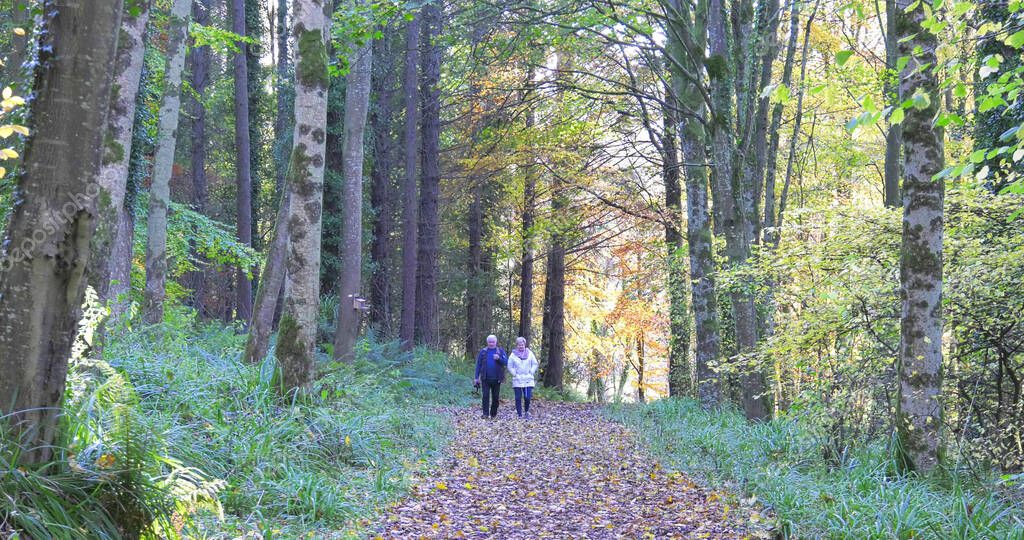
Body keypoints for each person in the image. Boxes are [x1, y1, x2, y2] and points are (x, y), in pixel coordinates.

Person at [474, 335, 507, 419]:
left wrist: (499, 358)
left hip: (497, 378)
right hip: (485, 378)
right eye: (490, 342)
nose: (491, 343)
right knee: (485, 396)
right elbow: (478, 365)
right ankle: (485, 414)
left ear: (496, 342)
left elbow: (506, 362)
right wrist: (476, 377)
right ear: (487, 342)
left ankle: (493, 414)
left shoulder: (500, 351)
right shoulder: (483, 352)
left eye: (493, 342)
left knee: (495, 397)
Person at [508, 337, 538, 419]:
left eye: (522, 344)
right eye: (519, 345)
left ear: (524, 344)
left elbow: (535, 363)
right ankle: (519, 414)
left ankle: (526, 411)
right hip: (517, 378)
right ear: (516, 345)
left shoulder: (530, 353)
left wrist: (531, 371)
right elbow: (509, 366)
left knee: (527, 397)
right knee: (518, 397)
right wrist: (514, 373)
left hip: (528, 378)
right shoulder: (513, 355)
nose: (521, 346)